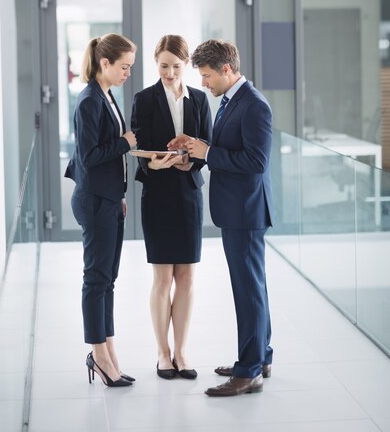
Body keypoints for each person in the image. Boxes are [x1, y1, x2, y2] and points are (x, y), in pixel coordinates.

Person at [169, 39, 274, 397]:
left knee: (248, 291)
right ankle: (261, 357)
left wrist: (209, 151)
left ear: (227, 70)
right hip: (238, 209)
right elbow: (227, 148)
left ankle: (249, 372)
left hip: (246, 211)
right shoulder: (232, 100)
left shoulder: (255, 105)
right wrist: (196, 146)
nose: (204, 83)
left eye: (208, 75)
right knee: (253, 287)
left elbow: (256, 163)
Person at [131, 34, 212, 380]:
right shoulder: (144, 99)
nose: (169, 72)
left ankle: (181, 351)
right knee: (162, 277)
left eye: (176, 66)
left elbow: (207, 144)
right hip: (159, 193)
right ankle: (163, 353)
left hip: (189, 193)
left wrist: (190, 161)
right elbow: (139, 147)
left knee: (187, 276)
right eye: (163, 66)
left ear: (185, 65)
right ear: (156, 64)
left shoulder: (199, 100)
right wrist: (158, 163)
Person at [65, 33, 137, 388]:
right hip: (94, 201)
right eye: (124, 67)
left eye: (130, 68)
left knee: (108, 279)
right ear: (104, 63)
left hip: (108, 198)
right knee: (96, 279)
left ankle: (108, 350)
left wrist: (120, 192)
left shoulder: (106, 96)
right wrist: (125, 142)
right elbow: (90, 156)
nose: (127, 73)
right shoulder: (89, 101)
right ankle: (99, 354)